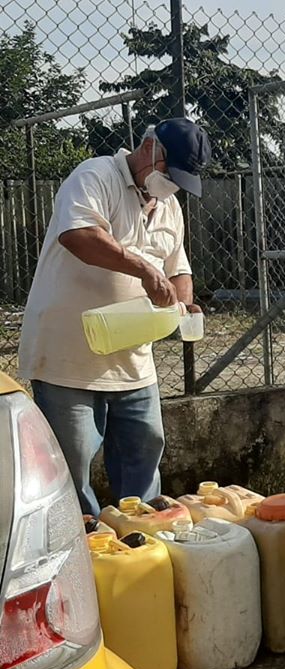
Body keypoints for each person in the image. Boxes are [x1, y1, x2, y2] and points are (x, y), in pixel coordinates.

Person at [18, 118, 212, 517]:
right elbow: (79, 235)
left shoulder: (169, 208)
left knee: (144, 451)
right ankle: (83, 540)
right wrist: (143, 269)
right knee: (71, 466)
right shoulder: (95, 176)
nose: (171, 186)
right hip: (68, 358)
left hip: (133, 359)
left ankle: (141, 535)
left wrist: (183, 305)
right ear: (150, 147)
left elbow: (178, 269)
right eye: (170, 174)